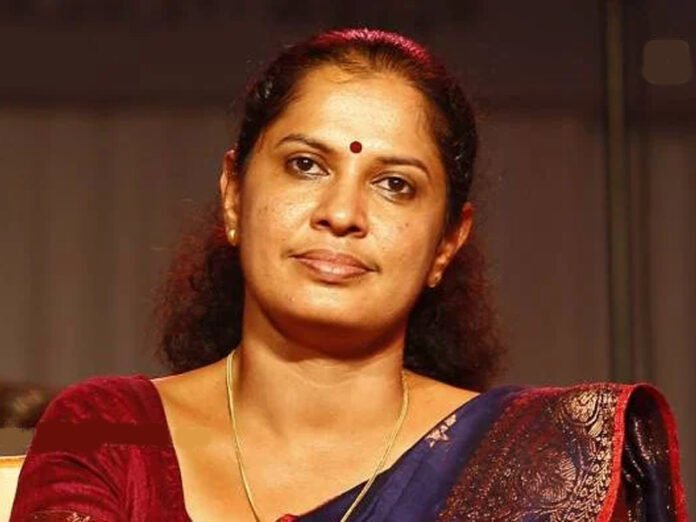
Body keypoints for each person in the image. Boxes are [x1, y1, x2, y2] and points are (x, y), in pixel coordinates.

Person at [10, 28, 687, 521]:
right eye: (306, 165)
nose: (341, 213)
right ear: (234, 195)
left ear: (447, 242)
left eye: (394, 184)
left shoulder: (545, 461)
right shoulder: (111, 435)